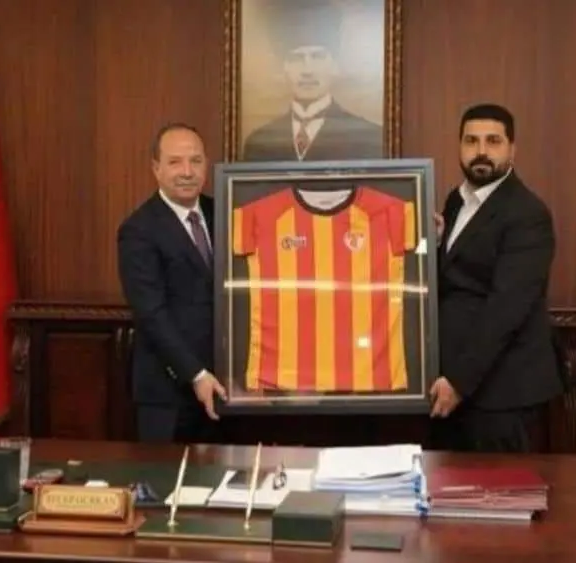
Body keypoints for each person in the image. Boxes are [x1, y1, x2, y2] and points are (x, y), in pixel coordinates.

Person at [428, 103, 565, 453]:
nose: (481, 151)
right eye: (471, 141)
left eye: (493, 141)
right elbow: (459, 280)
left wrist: (459, 382)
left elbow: (505, 310)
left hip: (502, 397)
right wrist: (439, 245)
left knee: (498, 489)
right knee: (446, 486)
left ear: (512, 148)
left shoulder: (528, 214)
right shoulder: (455, 202)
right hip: (452, 390)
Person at [116, 122, 227, 444]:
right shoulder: (138, 230)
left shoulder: (224, 212)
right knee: (165, 475)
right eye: (175, 162)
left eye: (195, 161)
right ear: (157, 169)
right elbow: (151, 314)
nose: (187, 172)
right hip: (168, 396)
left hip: (224, 387)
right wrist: (196, 374)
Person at [242, 1, 382, 162]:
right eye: (296, 58)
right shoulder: (258, 143)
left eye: (317, 57)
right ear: (283, 68)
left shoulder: (369, 138)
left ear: (335, 65)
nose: (307, 71)